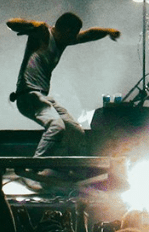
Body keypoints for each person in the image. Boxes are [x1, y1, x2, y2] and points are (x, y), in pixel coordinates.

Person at [6, 12, 119, 157]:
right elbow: (11, 23)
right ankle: (36, 164)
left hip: (42, 97)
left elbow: (89, 34)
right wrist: (33, 24)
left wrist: (108, 32)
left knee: (76, 132)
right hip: (27, 96)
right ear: (68, 31)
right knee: (56, 126)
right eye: (73, 35)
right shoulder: (42, 34)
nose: (74, 40)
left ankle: (73, 168)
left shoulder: (63, 40)